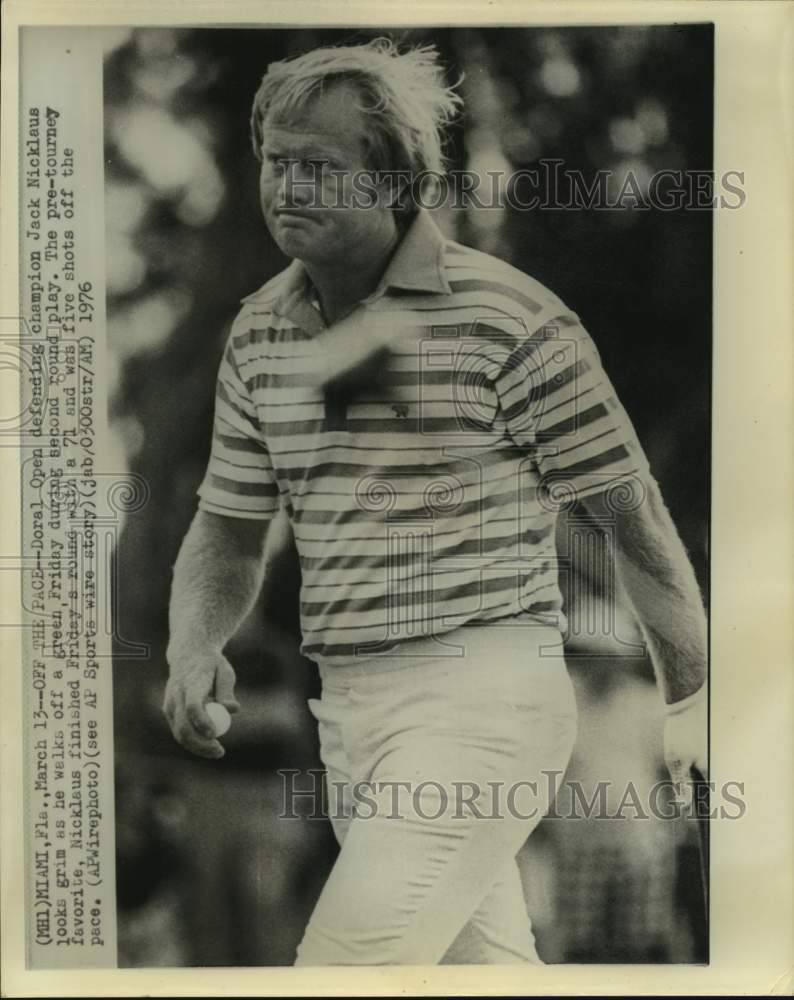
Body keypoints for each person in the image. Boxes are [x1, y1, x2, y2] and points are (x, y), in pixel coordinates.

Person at [163, 38, 708, 965]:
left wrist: (691, 704)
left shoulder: (511, 317)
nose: (286, 187)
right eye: (276, 163)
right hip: (350, 715)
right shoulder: (258, 334)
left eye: (319, 167)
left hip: (486, 704)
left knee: (342, 968)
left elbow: (633, 521)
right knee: (485, 976)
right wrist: (191, 644)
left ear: (390, 180)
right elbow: (227, 524)